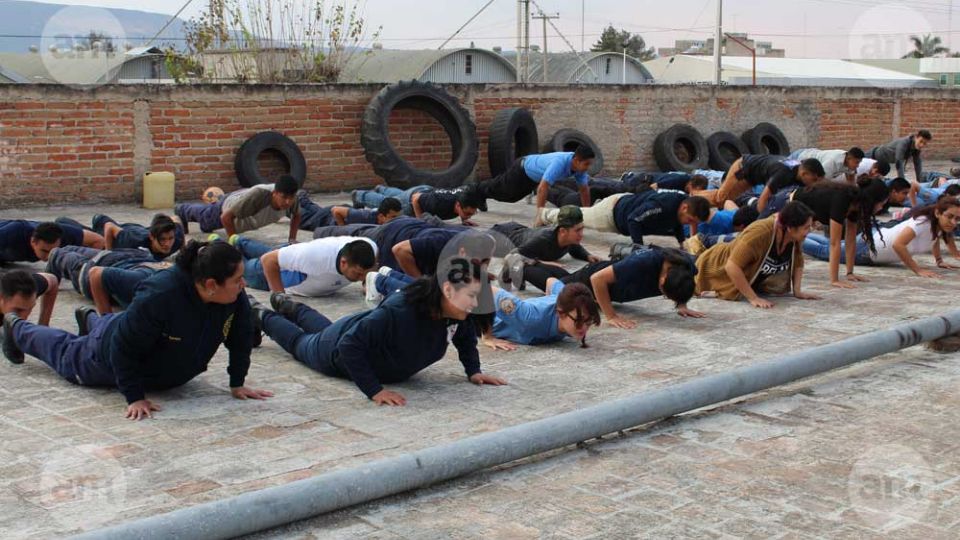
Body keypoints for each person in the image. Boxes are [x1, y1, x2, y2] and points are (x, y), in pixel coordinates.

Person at [0, 241, 272, 419]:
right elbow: (123, 347)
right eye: (237, 279)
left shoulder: (233, 296)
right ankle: (18, 329)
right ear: (211, 284)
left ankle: (92, 319)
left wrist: (237, 383)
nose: (243, 284)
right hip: (107, 353)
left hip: (143, 346)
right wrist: (134, 397)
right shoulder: (161, 295)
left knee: (119, 325)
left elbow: (240, 337)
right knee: (66, 353)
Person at [254, 266, 506, 406]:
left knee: (325, 331)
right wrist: (374, 390)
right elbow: (349, 345)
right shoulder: (401, 310)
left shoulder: (454, 314)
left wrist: (474, 371)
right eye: (472, 296)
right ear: (448, 290)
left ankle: (291, 307)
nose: (475, 304)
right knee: (300, 343)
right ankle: (261, 314)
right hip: (333, 352)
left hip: (352, 330)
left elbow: (463, 337)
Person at [369, 269, 601, 349]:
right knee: (429, 298)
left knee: (431, 290)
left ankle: (390, 274)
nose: (584, 328)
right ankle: (380, 281)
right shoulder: (529, 317)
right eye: (579, 322)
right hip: (474, 314)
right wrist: (487, 336)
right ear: (561, 312)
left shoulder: (572, 305)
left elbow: (554, 283)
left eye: (589, 322)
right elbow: (489, 291)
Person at [759, 179, 890, 288]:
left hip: (798, 212)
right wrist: (834, 280)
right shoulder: (842, 200)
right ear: (871, 200)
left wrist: (850, 272)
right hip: (784, 203)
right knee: (764, 239)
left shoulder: (856, 206)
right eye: (881, 204)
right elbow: (834, 243)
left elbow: (850, 240)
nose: (881, 208)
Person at [695, 201, 820, 309]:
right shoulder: (760, 232)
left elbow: (798, 260)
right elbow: (731, 266)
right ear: (790, 228)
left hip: (732, 270)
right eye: (806, 227)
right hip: (712, 268)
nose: (809, 231)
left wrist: (797, 291)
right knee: (686, 269)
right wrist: (753, 298)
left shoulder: (793, 238)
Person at [545, 245, 703, 329]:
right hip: (589, 280)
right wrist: (611, 316)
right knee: (555, 289)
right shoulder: (643, 262)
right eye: (665, 294)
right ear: (662, 281)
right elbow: (597, 279)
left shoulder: (687, 266)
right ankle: (533, 265)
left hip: (616, 291)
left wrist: (682, 304)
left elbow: (684, 282)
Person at [804, 197, 960, 278]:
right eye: (950, 216)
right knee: (823, 251)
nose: (953, 222)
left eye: (957, 219)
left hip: (874, 241)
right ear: (938, 213)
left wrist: (939, 261)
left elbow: (933, 239)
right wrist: (917, 270)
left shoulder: (938, 226)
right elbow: (898, 245)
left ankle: (803, 235)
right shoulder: (923, 223)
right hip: (869, 250)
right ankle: (798, 237)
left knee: (832, 244)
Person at [539, 189, 711, 246]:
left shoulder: (682, 206)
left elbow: (676, 223)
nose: (690, 224)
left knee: (583, 213)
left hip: (626, 203)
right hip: (611, 213)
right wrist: (639, 248)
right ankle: (544, 214)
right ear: (685, 207)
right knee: (580, 216)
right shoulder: (662, 206)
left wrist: (682, 243)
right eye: (690, 220)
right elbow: (634, 220)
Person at [493, 206, 600, 291]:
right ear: (563, 231)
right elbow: (511, 256)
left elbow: (575, 247)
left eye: (582, 229)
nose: (581, 234)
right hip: (500, 236)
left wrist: (587, 256)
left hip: (519, 230)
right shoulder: (544, 239)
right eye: (577, 230)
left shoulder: (567, 238)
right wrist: (542, 263)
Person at [230, 234, 377, 296]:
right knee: (242, 269)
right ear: (343, 262)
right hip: (280, 272)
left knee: (274, 252)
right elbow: (268, 260)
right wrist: (279, 297)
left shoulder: (370, 247)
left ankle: (240, 241)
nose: (361, 278)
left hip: (295, 255)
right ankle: (225, 244)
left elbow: (373, 260)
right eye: (358, 274)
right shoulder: (316, 257)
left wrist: (367, 282)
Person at [476, 145, 596, 215]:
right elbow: (543, 188)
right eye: (586, 164)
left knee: (512, 198)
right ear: (576, 160)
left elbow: (584, 190)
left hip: (532, 179)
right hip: (521, 169)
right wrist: (540, 215)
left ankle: (482, 193)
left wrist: (586, 213)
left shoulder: (580, 170)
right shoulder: (559, 163)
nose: (588, 167)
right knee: (502, 190)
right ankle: (477, 190)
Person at [175, 175, 301, 241]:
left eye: (291, 197)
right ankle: (181, 209)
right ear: (274, 193)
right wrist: (234, 242)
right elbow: (225, 217)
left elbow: (296, 215)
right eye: (284, 197)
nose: (288, 202)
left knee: (207, 226)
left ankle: (205, 225)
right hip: (226, 207)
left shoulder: (292, 198)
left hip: (242, 201)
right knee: (205, 217)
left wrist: (292, 240)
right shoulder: (259, 196)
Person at [690, 155, 825, 212]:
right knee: (721, 197)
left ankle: (695, 198)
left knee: (724, 200)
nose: (813, 184)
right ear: (805, 174)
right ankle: (692, 198)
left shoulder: (800, 173)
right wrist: (760, 219)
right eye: (813, 180)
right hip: (743, 169)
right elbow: (763, 198)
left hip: (753, 177)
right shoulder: (784, 173)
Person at [352, 184, 484, 225]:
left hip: (425, 191)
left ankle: (381, 189)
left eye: (472, 213)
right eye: (467, 213)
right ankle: (358, 195)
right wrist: (420, 220)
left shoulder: (465, 197)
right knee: (389, 204)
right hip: (414, 200)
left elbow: (465, 203)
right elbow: (416, 199)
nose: (469, 215)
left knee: (399, 196)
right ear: (458, 206)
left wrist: (464, 218)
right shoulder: (440, 204)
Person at [867, 130, 932, 201]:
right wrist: (903, 185)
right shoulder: (904, 143)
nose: (921, 145)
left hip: (879, 163)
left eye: (924, 143)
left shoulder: (916, 148)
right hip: (872, 156)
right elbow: (899, 163)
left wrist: (920, 184)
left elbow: (917, 164)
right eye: (921, 141)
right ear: (916, 137)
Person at [93, 213, 184, 260]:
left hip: (138, 228)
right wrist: (108, 254)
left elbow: (176, 218)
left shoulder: (177, 239)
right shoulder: (135, 241)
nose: (168, 244)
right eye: (162, 239)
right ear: (152, 237)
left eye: (170, 238)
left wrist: (183, 250)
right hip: (104, 228)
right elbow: (109, 226)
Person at [0, 220, 99, 263]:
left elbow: (97, 240)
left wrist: (89, 266)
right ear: (33, 241)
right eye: (45, 251)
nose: (49, 257)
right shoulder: (14, 232)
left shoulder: (62, 233)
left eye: (54, 251)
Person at [298, 191, 402, 231]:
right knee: (304, 222)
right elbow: (335, 210)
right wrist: (342, 229)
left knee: (316, 212)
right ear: (381, 216)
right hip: (330, 217)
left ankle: (302, 198)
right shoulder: (364, 216)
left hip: (338, 211)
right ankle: (294, 204)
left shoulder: (382, 221)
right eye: (393, 217)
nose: (397, 220)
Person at [790, 147, 864, 184]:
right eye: (856, 162)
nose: (858, 165)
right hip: (799, 157)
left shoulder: (850, 163)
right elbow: (821, 183)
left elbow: (851, 180)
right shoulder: (831, 162)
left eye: (859, 163)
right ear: (849, 158)